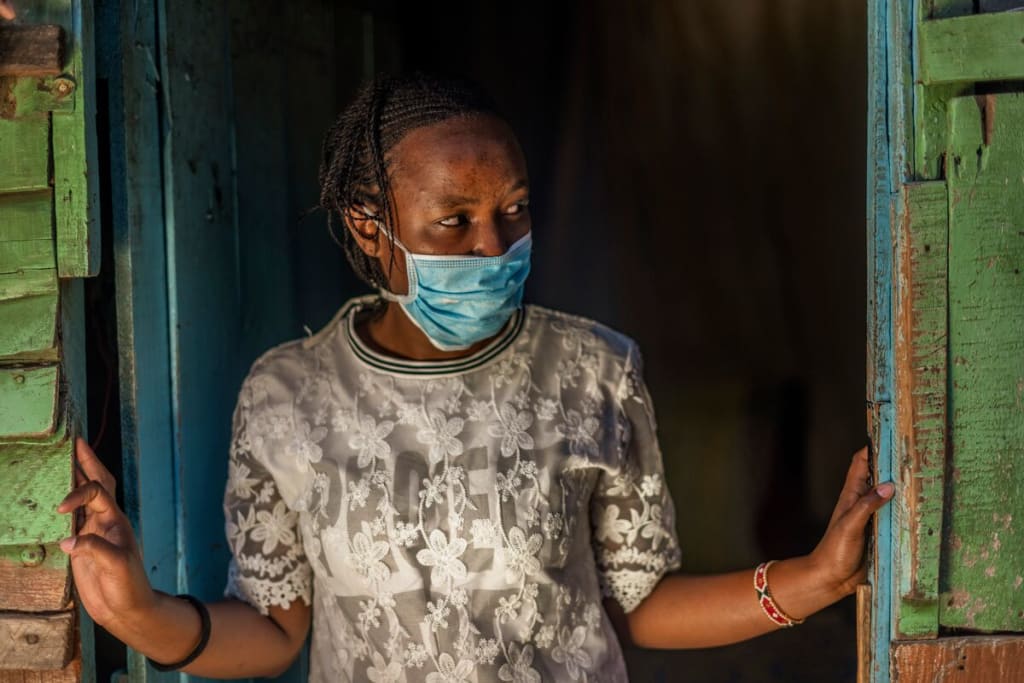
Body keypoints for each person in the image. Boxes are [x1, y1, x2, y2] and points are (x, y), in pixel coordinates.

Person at [59, 74, 894, 682]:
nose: (495, 247)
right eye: (454, 220)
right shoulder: (288, 397)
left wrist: (815, 577)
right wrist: (142, 614)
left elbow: (638, 608)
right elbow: (278, 629)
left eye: (516, 209)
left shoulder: (596, 371)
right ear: (371, 225)